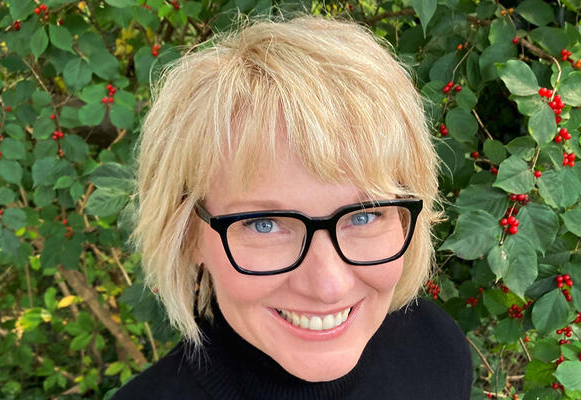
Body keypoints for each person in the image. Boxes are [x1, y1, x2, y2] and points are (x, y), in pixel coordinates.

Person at [112, 15, 473, 400]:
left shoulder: (436, 351)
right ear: (188, 234)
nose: (328, 287)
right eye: (264, 224)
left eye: (364, 215)